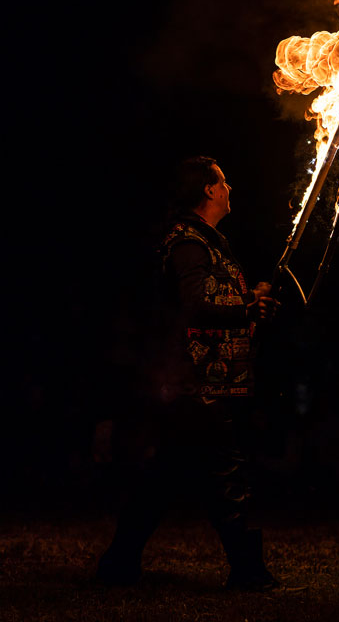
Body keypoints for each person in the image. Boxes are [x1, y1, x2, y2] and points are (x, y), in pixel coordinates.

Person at [96, 155, 280, 590]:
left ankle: (118, 564)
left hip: (203, 380)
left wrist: (250, 300)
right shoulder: (188, 242)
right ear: (210, 191)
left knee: (163, 476)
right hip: (195, 380)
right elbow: (194, 307)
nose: (230, 188)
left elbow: (217, 300)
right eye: (224, 182)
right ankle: (248, 572)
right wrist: (246, 307)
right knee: (226, 474)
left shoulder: (209, 241)